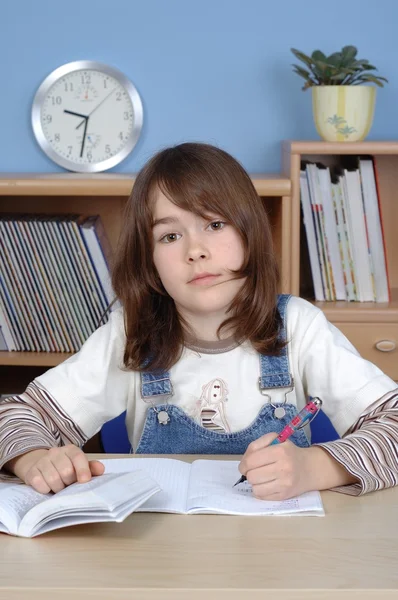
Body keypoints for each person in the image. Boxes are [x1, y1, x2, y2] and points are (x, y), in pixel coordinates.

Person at [1, 142, 398, 501]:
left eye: (214, 224)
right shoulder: (131, 333)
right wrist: (32, 457)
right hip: (161, 555)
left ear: (250, 233)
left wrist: (315, 468)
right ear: (150, 261)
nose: (196, 251)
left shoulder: (298, 326)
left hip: (280, 554)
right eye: (170, 237)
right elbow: (16, 415)